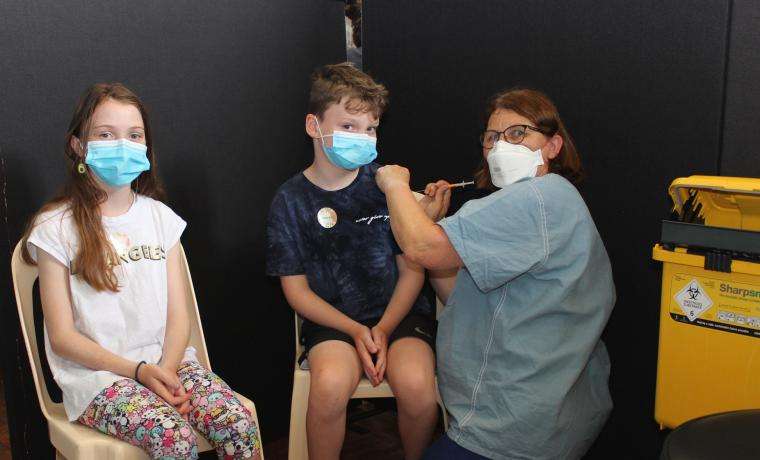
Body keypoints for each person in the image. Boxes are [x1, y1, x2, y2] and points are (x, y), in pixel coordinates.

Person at [22, 83, 261, 460]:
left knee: (237, 421)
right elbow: (63, 338)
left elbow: (179, 315)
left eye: (134, 135)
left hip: (169, 365)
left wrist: (164, 371)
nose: (123, 144)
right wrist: (139, 372)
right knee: (173, 437)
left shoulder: (160, 219)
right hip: (100, 380)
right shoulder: (55, 227)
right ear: (77, 145)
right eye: (105, 134)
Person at [375, 88, 615, 460]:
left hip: (509, 430)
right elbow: (461, 297)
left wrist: (394, 187)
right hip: (543, 419)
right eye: (492, 137)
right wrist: (434, 229)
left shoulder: (537, 198)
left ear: (552, 146)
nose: (501, 146)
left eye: (517, 133)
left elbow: (421, 248)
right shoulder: (546, 202)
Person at [266, 63, 438, 460]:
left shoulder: (387, 187)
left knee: (418, 389)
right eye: (348, 126)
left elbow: (412, 267)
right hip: (333, 322)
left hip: (400, 316)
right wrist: (357, 331)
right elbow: (296, 290)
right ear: (314, 125)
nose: (362, 137)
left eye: (370, 128)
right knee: (327, 390)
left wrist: (382, 329)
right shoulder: (289, 201)